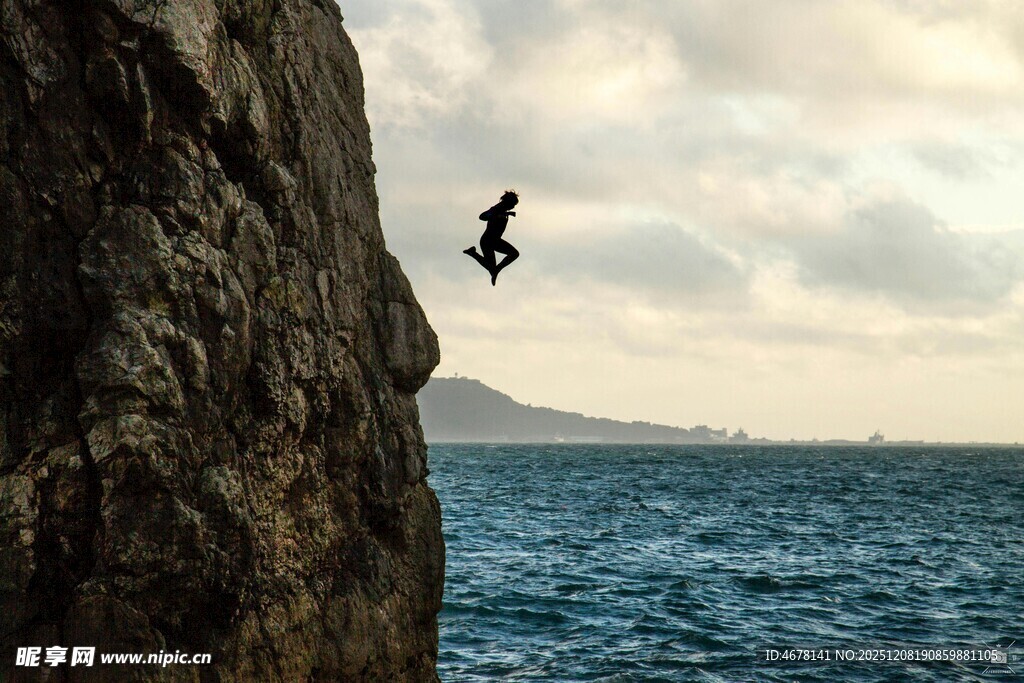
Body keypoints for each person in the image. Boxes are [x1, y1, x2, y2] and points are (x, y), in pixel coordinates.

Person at [464, 190, 520, 286]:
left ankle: (475, 254)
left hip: (495, 241)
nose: (513, 207)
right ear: (508, 202)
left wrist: (506, 214)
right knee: (494, 266)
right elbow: (482, 216)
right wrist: (495, 215)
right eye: (513, 204)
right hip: (487, 241)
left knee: (512, 255)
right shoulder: (496, 208)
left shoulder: (503, 211)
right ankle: (474, 254)